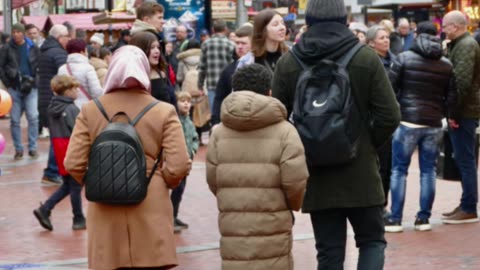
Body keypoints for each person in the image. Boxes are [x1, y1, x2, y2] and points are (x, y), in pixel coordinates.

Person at [272, 0, 401, 268]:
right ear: (345, 20)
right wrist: (364, 143)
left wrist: (307, 146)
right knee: (371, 242)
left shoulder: (289, 62)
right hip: (361, 172)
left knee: (329, 252)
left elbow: (278, 120)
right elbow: (390, 115)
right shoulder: (365, 58)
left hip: (317, 174)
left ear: (308, 22)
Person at [64, 45, 191, 270]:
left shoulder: (90, 110)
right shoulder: (164, 111)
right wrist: (166, 182)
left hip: (105, 206)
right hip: (150, 201)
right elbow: (179, 164)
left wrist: (99, 180)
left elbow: (73, 162)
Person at [207, 63, 308, 269]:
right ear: (269, 92)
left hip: (232, 219)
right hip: (273, 218)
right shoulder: (285, 131)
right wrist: (290, 206)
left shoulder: (218, 132)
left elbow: (213, 179)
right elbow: (295, 181)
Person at [385, 22, 458, 232]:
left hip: (407, 120)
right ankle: (423, 218)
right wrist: (444, 114)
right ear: (437, 36)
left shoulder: (404, 58)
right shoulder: (446, 64)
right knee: (428, 171)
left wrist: (399, 111)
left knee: (399, 170)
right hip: (433, 123)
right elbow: (452, 96)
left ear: (417, 34)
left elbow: (390, 89)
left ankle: (396, 219)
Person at [33, 75, 86, 231]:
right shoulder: (72, 109)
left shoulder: (52, 107)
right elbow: (79, 131)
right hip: (72, 148)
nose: (77, 91)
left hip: (59, 149)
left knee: (68, 185)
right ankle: (78, 218)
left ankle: (45, 209)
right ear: (67, 91)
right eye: (74, 89)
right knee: (75, 186)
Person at [441, 10, 480, 224]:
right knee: (465, 158)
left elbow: (461, 84)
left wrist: (453, 114)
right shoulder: (461, 45)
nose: (443, 29)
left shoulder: (465, 46)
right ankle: (466, 202)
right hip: (464, 110)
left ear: (455, 26)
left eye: (445, 25)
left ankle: (469, 206)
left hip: (464, 112)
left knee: (466, 159)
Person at [366, 24, 396, 216]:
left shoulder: (395, 61)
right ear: (371, 43)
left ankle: (383, 203)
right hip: (374, 121)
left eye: (387, 37)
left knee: (388, 166)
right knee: (377, 166)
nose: (386, 40)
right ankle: (375, 204)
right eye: (381, 38)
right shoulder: (370, 63)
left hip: (392, 121)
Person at [0, 23, 40, 160]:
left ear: (23, 33)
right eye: (14, 31)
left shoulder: (33, 47)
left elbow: (38, 66)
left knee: (33, 117)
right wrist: (9, 83)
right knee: (15, 120)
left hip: (31, 88)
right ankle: (18, 148)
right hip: (15, 88)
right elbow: (1, 67)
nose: (16, 34)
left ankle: (33, 147)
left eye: (18, 32)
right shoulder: (6, 48)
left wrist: (35, 81)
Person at [37, 24, 70, 185]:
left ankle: (53, 170)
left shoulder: (44, 50)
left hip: (44, 99)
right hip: (55, 100)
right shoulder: (58, 53)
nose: (68, 40)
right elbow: (65, 77)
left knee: (55, 137)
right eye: (66, 37)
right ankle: (51, 171)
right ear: (59, 37)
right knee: (58, 137)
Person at [211, 24, 253, 126]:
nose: (239, 46)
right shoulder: (229, 69)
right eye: (237, 43)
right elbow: (220, 97)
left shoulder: (261, 65)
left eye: (243, 43)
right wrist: (216, 122)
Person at [172, 91, 199, 233]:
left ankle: (174, 216)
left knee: (180, 190)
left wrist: (193, 151)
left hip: (187, 163)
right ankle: (170, 217)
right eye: (182, 101)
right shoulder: (175, 121)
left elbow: (195, 138)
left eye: (188, 101)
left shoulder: (189, 122)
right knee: (176, 189)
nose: (186, 103)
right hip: (177, 162)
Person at [197, 19, 235, 113]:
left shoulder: (206, 44)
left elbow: (202, 67)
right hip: (228, 84)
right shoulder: (231, 44)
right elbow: (234, 66)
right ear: (225, 29)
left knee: (215, 113)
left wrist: (200, 85)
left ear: (213, 29)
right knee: (228, 112)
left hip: (212, 84)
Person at [130, 32, 176, 106]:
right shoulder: (132, 78)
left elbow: (172, 101)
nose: (157, 51)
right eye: (152, 48)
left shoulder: (162, 72)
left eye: (158, 47)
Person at [236, 9, 289, 74]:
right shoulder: (247, 62)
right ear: (263, 30)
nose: (282, 28)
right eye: (275, 24)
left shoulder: (291, 56)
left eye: (283, 23)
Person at [57, 39, 103, 109]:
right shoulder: (88, 68)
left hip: (67, 108)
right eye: (86, 50)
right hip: (86, 108)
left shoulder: (62, 69)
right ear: (82, 52)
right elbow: (96, 92)